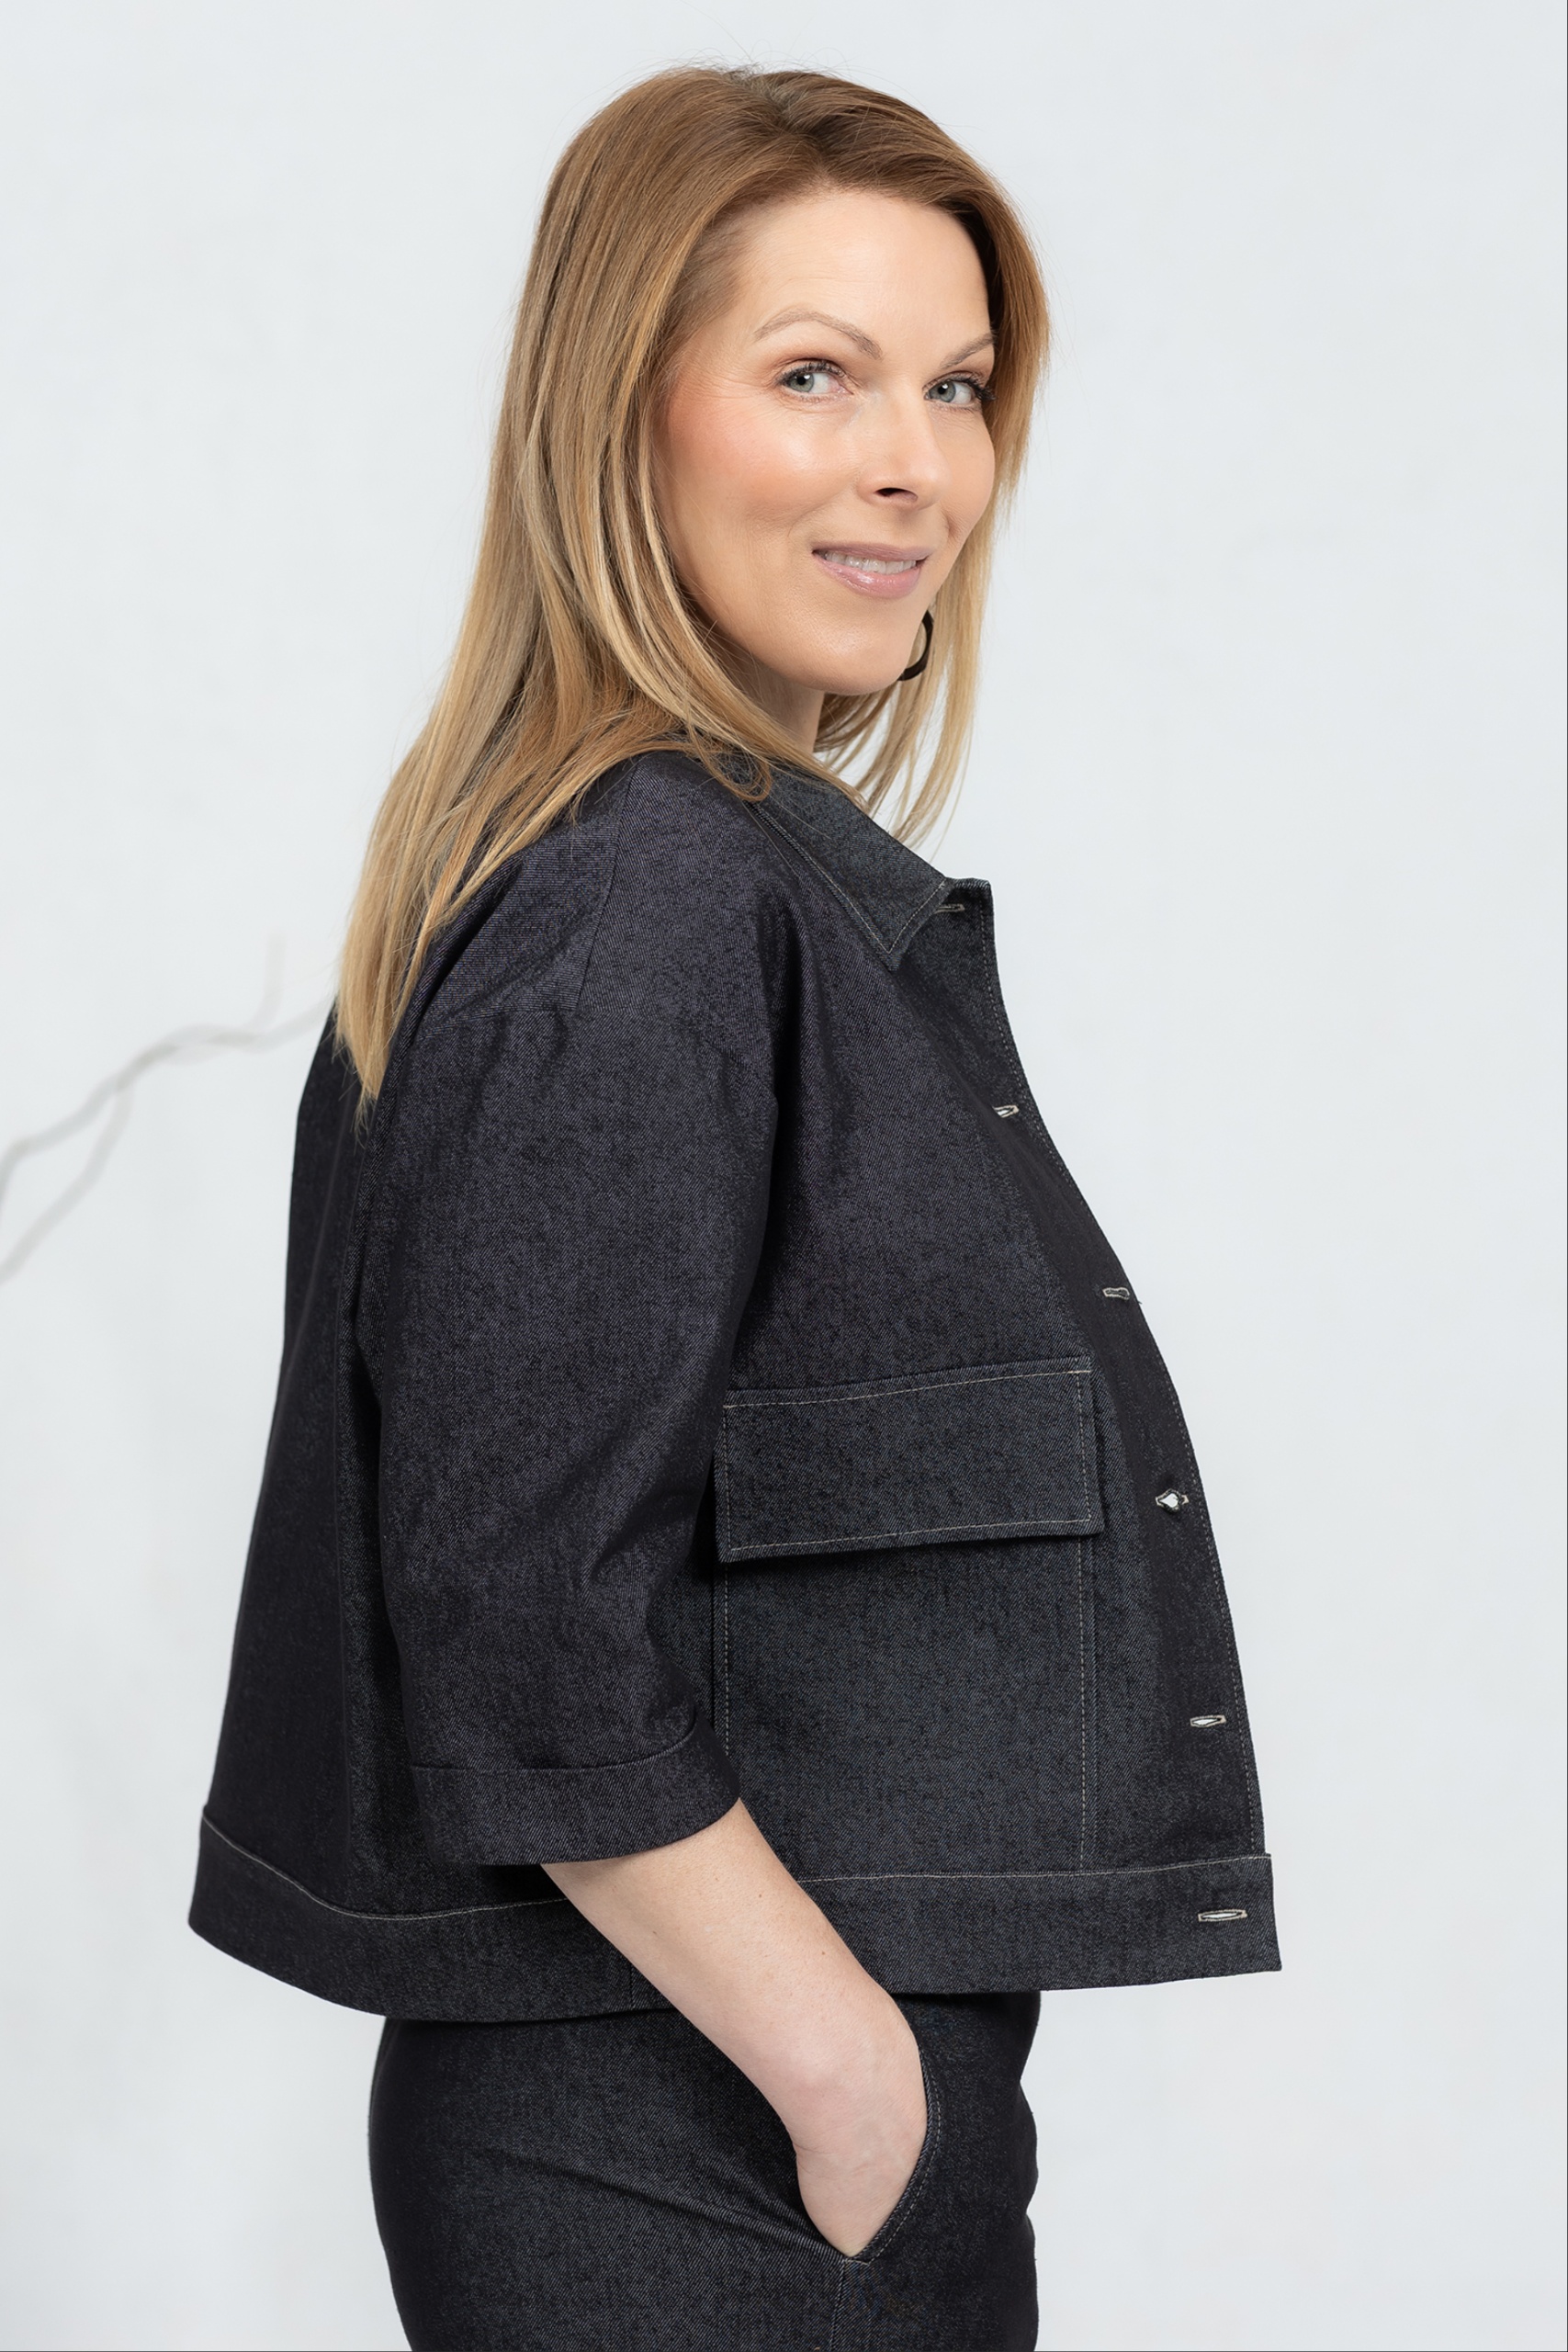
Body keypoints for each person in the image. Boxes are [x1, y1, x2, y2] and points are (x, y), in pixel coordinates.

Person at [191, 64, 1279, 2350]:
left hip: (731, 2131)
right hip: (687, 2140)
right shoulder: (651, 907)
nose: (915, 464)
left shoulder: (716, 881)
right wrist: (852, 2083)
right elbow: (520, 1616)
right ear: (623, 414)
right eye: (813, 375)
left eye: (955, 387)